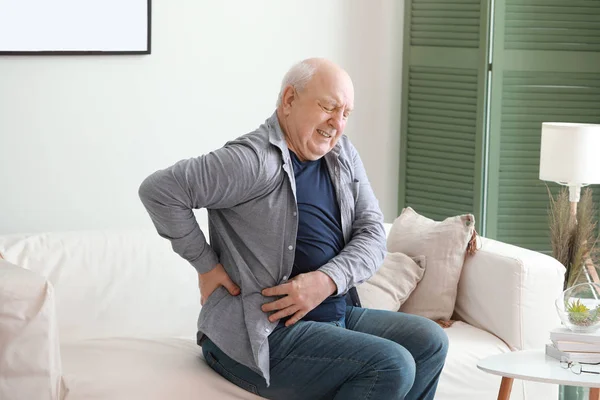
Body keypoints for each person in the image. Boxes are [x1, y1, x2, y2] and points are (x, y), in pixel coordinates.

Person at [139, 58, 448, 400]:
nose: (337, 123)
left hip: (332, 315)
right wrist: (206, 265)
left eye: (346, 113)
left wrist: (326, 281)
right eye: (329, 107)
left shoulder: (343, 155)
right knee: (392, 364)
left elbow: (373, 234)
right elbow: (160, 191)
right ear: (289, 100)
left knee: (429, 341)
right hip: (262, 336)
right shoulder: (252, 160)